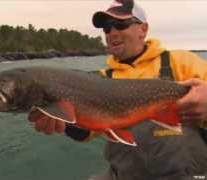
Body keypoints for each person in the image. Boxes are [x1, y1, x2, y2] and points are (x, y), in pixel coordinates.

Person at [28, 0, 207, 179]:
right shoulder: (97, 79)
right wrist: (63, 120)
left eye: (121, 24)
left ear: (143, 29)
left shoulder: (181, 62)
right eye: (107, 28)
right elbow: (86, 132)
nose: (112, 32)